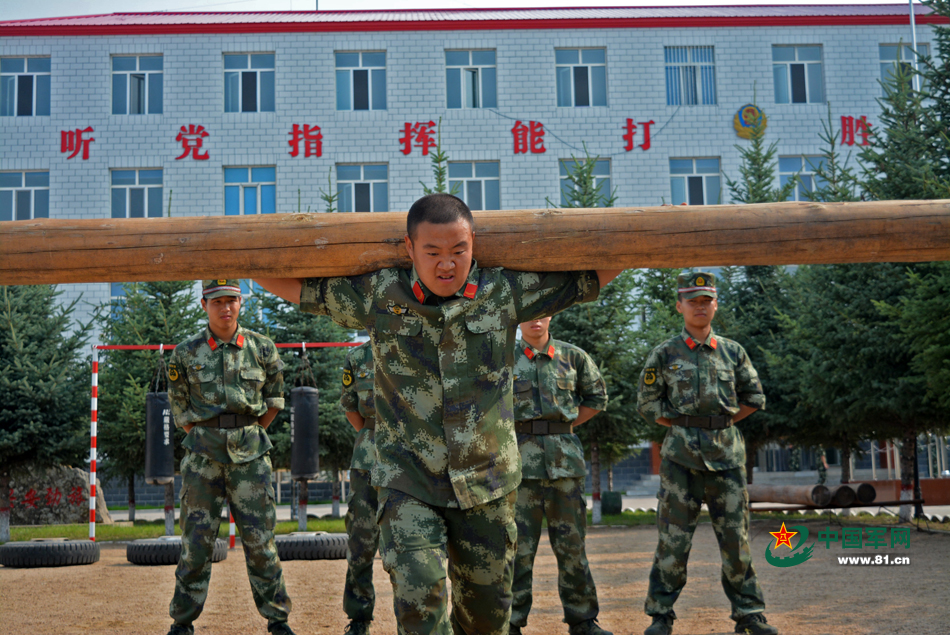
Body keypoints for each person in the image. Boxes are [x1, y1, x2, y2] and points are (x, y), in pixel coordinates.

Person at [256, 193, 622, 635]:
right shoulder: (380, 295)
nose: (446, 264)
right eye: (432, 252)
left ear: (474, 246)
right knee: (419, 605)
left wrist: (646, 238)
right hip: (408, 479)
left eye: (458, 251)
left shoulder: (503, 293)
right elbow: (298, 290)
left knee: (487, 621)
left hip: (486, 482)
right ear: (410, 249)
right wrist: (236, 257)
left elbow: (592, 279)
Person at [637, 272, 777, 635]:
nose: (700, 307)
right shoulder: (665, 353)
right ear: (679, 305)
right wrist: (686, 425)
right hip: (680, 461)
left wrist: (720, 423)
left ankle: (749, 613)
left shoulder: (732, 351)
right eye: (692, 301)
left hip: (727, 459)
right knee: (673, 540)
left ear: (715, 304)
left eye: (706, 301)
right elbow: (648, 404)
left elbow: (753, 398)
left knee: (736, 540)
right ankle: (661, 615)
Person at [165, 279, 294, 635]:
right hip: (203, 458)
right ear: (204, 304)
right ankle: (182, 622)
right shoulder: (185, 353)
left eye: (232, 300)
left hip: (251, 457)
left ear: (241, 302)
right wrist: (210, 436)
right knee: (196, 544)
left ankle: (278, 620)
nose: (226, 308)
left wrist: (248, 430)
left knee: (261, 544)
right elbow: (180, 410)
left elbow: (273, 401)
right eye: (217, 301)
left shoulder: (262, 348)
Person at [509, 317, 610, 635]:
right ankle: (510, 623)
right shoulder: (503, 357)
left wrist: (562, 425)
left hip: (564, 467)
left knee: (572, 548)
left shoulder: (574, 356)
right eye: (529, 313)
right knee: (517, 549)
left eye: (543, 313)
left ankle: (582, 621)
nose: (535, 320)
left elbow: (596, 398)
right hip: (520, 469)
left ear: (551, 316)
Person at [340, 341, 379, 635]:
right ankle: (359, 617)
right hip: (368, 458)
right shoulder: (357, 357)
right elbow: (351, 408)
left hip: (416, 460)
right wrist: (372, 433)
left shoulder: (421, 344)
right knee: (361, 539)